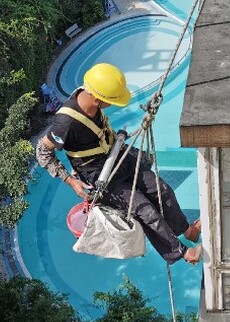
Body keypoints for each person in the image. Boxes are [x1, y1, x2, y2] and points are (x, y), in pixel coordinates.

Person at [36, 63, 202, 265]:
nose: (111, 105)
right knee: (145, 210)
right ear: (98, 99)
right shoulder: (65, 124)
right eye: (110, 102)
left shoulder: (88, 93)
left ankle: (187, 230)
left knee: (162, 189)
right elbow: (42, 151)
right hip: (100, 175)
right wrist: (70, 180)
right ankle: (182, 253)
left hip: (118, 157)